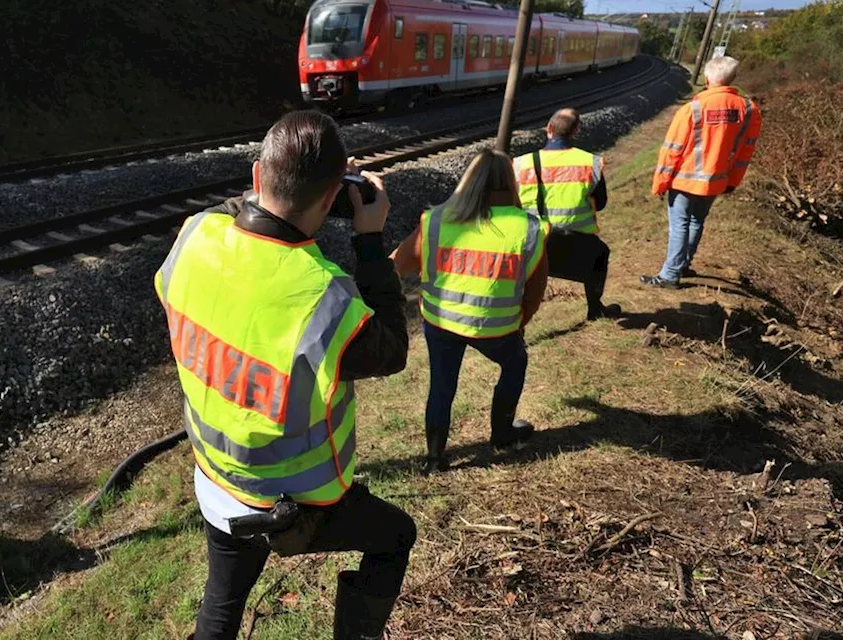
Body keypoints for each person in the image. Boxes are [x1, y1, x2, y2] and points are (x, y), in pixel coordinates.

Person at [154, 110, 417, 640]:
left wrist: (285, 185)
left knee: (222, 603)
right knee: (395, 536)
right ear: (329, 201)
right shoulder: (327, 301)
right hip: (296, 506)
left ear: (255, 179)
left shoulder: (194, 236)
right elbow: (393, 353)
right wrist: (369, 239)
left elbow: (236, 210)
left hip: (216, 480)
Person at [390, 149, 550, 474]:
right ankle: (503, 436)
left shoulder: (435, 221)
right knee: (515, 362)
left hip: (440, 321)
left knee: (442, 386)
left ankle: (435, 459)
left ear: (467, 180)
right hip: (497, 328)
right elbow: (534, 294)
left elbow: (398, 265)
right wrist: (518, 324)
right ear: (511, 183)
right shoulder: (529, 230)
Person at [641, 56, 762, 288]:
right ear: (732, 79)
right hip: (717, 180)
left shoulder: (692, 109)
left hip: (685, 180)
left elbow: (672, 150)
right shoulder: (749, 110)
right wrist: (733, 181)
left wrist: (660, 182)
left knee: (680, 225)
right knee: (697, 221)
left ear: (707, 79)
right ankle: (683, 264)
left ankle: (669, 275)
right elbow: (746, 150)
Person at [512, 108, 621, 321]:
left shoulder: (521, 164)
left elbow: (512, 204)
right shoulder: (590, 162)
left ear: (548, 129)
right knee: (601, 253)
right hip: (577, 247)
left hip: (534, 245)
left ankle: (517, 320)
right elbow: (601, 204)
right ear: (576, 131)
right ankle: (594, 309)